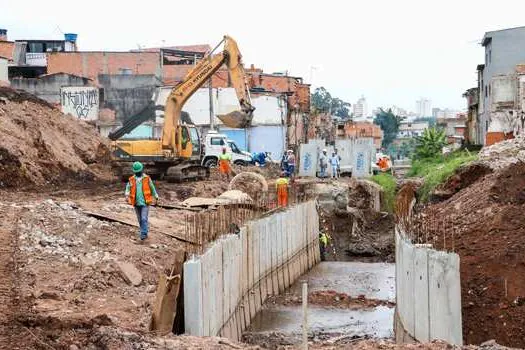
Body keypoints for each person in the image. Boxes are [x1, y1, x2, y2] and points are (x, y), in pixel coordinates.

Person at [125, 161, 159, 243]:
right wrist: (126, 195)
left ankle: (143, 235)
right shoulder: (131, 179)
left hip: (145, 203)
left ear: (141, 170)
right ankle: (144, 232)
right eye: (136, 172)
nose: (137, 173)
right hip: (136, 203)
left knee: (144, 218)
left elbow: (152, 187)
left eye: (139, 172)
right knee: (140, 219)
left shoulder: (147, 178)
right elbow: (128, 188)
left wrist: (156, 196)